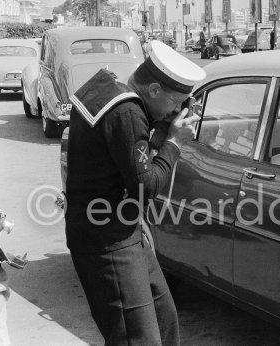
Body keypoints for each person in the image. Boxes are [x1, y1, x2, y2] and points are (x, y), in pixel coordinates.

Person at [65, 40, 206, 346]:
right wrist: (175, 142)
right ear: (154, 89)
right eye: (176, 102)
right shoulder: (127, 114)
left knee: (164, 319)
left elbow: (124, 159)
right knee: (138, 339)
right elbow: (146, 187)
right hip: (107, 241)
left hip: (119, 231)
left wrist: (161, 127)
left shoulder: (109, 88)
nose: (176, 111)